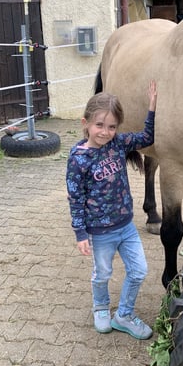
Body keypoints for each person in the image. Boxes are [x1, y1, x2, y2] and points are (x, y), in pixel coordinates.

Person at [65, 80, 157, 340]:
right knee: (103, 273)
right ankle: (101, 307)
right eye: (99, 125)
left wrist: (152, 107)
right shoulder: (78, 158)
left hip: (126, 227)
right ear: (86, 123)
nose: (105, 132)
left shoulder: (118, 144)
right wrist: (80, 233)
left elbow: (146, 138)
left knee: (139, 271)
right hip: (100, 232)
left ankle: (124, 315)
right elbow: (75, 196)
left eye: (112, 126)